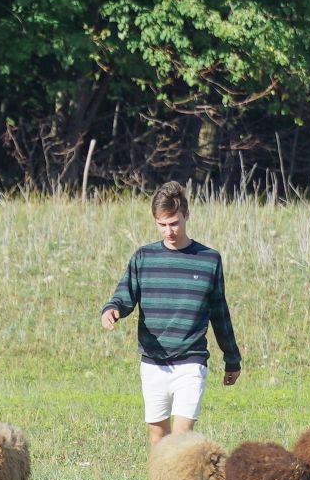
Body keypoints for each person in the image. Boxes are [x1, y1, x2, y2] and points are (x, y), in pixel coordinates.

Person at [99, 181, 242, 446]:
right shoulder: (144, 257)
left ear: (186, 215)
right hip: (153, 362)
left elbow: (220, 312)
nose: (169, 231)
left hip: (191, 360)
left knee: (181, 438)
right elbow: (125, 294)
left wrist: (232, 358)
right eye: (162, 224)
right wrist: (112, 309)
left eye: (174, 223)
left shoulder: (209, 259)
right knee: (158, 437)